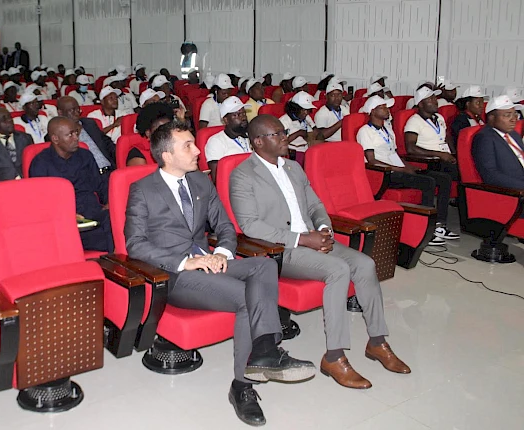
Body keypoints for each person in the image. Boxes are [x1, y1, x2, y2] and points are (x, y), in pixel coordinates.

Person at [125, 120, 316, 426]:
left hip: (211, 263)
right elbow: (135, 245)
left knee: (265, 264)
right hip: (175, 276)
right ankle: (243, 386)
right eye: (188, 145)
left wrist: (223, 253)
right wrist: (184, 262)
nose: (198, 149)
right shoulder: (143, 190)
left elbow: (225, 226)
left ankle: (264, 349)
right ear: (167, 156)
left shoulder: (201, 183)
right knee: (245, 298)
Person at [231, 115, 410, 390]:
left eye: (283, 132)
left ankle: (377, 341)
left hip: (315, 240)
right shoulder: (243, 175)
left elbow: (315, 205)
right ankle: (335, 356)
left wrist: (324, 229)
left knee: (364, 264)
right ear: (258, 141)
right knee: (338, 270)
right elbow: (250, 225)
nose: (284, 138)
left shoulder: (293, 168)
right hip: (282, 250)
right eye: (276, 134)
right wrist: (303, 239)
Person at [357, 96, 455, 246]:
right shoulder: (365, 132)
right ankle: (425, 230)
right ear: (372, 111)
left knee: (443, 179)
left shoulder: (387, 129)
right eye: (382, 107)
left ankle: (439, 225)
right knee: (428, 182)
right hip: (383, 173)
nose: (387, 110)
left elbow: (395, 153)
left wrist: (408, 167)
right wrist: (399, 169)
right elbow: (372, 161)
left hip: (397, 168)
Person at [30, 117, 114, 253]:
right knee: (109, 238)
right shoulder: (40, 163)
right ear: (55, 139)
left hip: (92, 214)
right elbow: (40, 203)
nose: (76, 138)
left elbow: (100, 185)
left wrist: (109, 202)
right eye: (70, 135)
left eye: (76, 133)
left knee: (118, 221)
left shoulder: (85, 156)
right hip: (63, 221)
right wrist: (68, 215)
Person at [404, 86, 460, 214]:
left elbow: (447, 137)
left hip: (445, 157)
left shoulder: (439, 118)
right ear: (421, 104)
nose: (436, 101)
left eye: (435, 98)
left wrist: (454, 154)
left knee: (468, 169)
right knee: (458, 175)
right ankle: (441, 220)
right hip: (431, 161)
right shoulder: (414, 122)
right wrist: (440, 154)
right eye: (430, 99)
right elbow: (411, 148)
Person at [472, 95, 524, 190]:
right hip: (514, 190)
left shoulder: (514, 134)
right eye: (507, 115)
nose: (513, 119)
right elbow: (491, 175)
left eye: (514, 114)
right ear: (491, 118)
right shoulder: (484, 138)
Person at [56, 96, 116, 175]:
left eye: (78, 109)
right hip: (88, 177)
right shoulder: (57, 135)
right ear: (60, 113)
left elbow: (107, 142)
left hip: (110, 171)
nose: (77, 112)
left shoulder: (89, 124)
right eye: (72, 110)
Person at [204, 96, 252, 182]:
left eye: (244, 113)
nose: (243, 118)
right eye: (237, 115)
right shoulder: (216, 142)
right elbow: (218, 179)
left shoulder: (252, 136)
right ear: (226, 120)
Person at [127, 102, 174, 166]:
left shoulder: (176, 146)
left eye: (169, 128)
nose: (167, 132)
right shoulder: (138, 154)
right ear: (148, 133)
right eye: (161, 130)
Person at [279, 92, 317, 164]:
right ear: (295, 108)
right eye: (303, 110)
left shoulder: (305, 118)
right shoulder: (285, 121)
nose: (305, 112)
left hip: (305, 150)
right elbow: (280, 143)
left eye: (307, 110)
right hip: (292, 152)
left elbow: (311, 136)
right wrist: (298, 133)